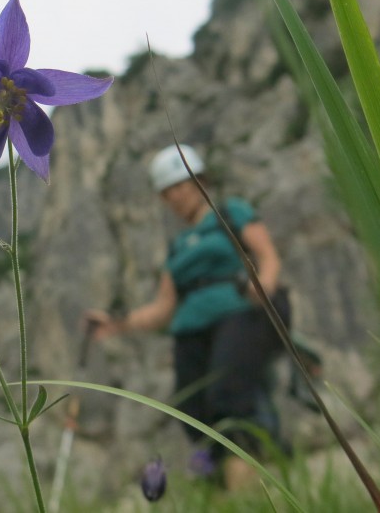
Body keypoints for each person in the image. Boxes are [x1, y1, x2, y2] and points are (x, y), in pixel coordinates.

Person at [85, 144, 289, 491]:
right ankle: (221, 487)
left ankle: (247, 495)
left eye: (180, 186)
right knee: (193, 409)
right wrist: (117, 322)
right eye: (167, 193)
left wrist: (265, 285)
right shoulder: (177, 249)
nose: (175, 197)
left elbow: (267, 255)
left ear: (200, 181)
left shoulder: (231, 213)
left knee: (230, 398)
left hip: (238, 313)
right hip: (190, 329)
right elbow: (163, 309)